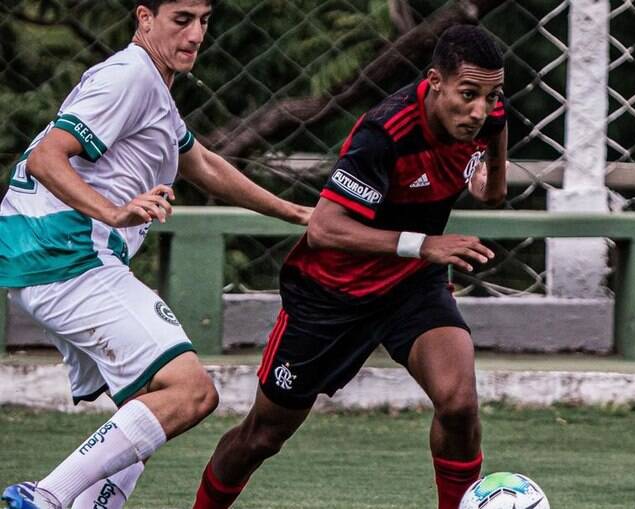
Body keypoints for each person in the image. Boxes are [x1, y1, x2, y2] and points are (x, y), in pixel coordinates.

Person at [0, 1, 311, 508]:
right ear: (145, 18)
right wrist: (114, 212)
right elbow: (45, 157)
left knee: (146, 413)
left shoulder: (154, 90)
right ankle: (46, 499)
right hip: (68, 256)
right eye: (181, 19)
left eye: (204, 20)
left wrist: (295, 212)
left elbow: (203, 165)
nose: (195, 34)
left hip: (47, 258)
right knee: (190, 393)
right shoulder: (131, 77)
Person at [192, 24, 508, 509]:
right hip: (330, 294)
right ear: (435, 80)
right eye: (469, 94)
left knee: (459, 403)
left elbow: (491, 189)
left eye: (491, 96)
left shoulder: (488, 117)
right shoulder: (385, 133)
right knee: (263, 435)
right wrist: (423, 244)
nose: (480, 110)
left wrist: (487, 178)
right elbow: (324, 228)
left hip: (410, 288)